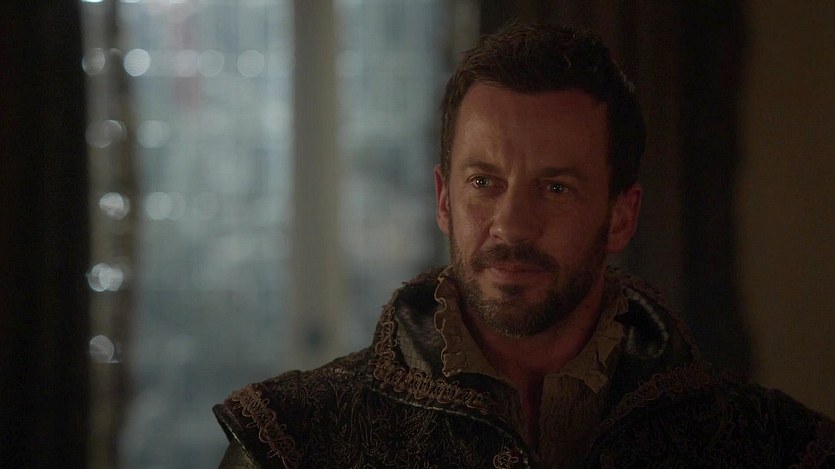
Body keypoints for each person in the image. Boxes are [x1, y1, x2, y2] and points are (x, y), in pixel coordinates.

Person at [213, 22, 834, 468]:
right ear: (444, 200)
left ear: (622, 216)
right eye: (484, 183)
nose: (511, 226)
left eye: (556, 188)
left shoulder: (768, 446)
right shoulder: (292, 442)